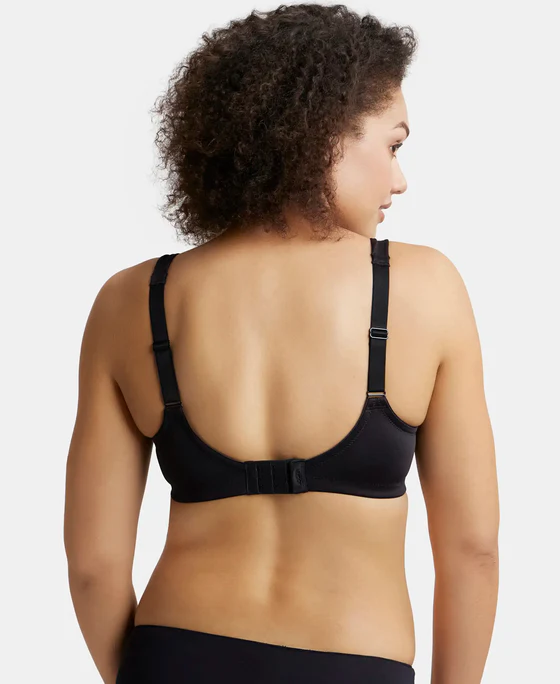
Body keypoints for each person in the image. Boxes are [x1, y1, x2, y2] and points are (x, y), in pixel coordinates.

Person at [63, 4, 499, 683]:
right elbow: (473, 549)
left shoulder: (131, 301)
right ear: (323, 134)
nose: (400, 180)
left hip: (173, 655)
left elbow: (93, 565)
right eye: (393, 146)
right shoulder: (423, 287)